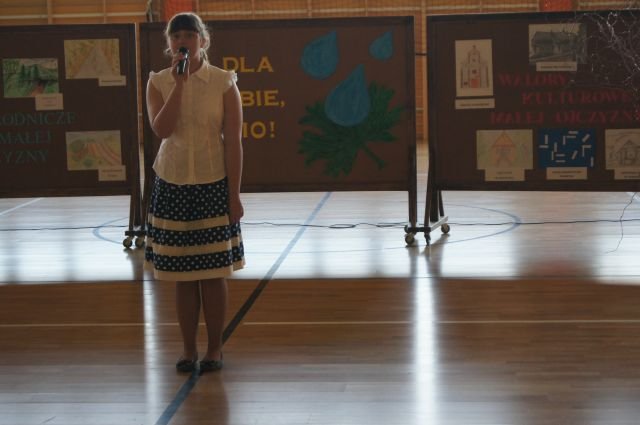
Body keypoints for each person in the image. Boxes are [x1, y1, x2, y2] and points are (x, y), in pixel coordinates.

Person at [144, 12, 245, 373]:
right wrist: (179, 85)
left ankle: (214, 348)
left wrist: (234, 194)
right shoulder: (158, 82)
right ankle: (188, 349)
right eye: (176, 36)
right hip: (171, 184)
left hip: (213, 182)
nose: (182, 41)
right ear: (169, 43)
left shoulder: (223, 82)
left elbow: (233, 142)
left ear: (203, 40)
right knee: (182, 275)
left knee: (213, 273)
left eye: (189, 35)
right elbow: (162, 130)